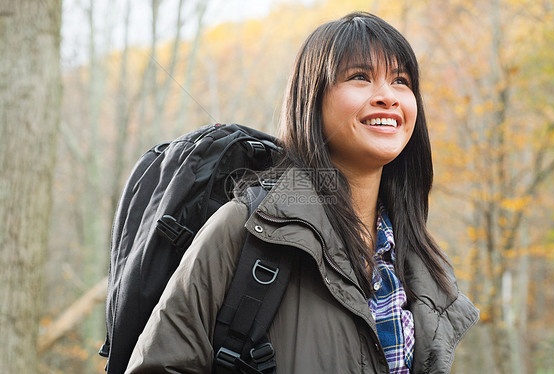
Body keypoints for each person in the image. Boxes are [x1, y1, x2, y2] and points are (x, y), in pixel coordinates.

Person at [126, 11, 479, 374]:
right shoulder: (246, 229)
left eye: (401, 81)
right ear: (312, 98)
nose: (387, 96)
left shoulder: (419, 260)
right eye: (360, 77)